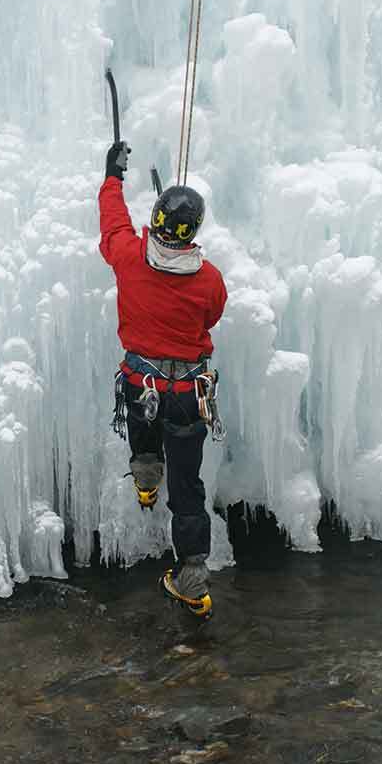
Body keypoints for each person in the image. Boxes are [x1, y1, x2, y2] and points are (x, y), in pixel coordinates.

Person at [99, 140, 227, 618]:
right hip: (188, 393)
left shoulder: (128, 258)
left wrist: (112, 177)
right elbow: (210, 318)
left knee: (141, 429)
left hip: (142, 382)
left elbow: (112, 224)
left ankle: (146, 477)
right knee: (189, 484)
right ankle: (191, 577)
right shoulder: (209, 280)